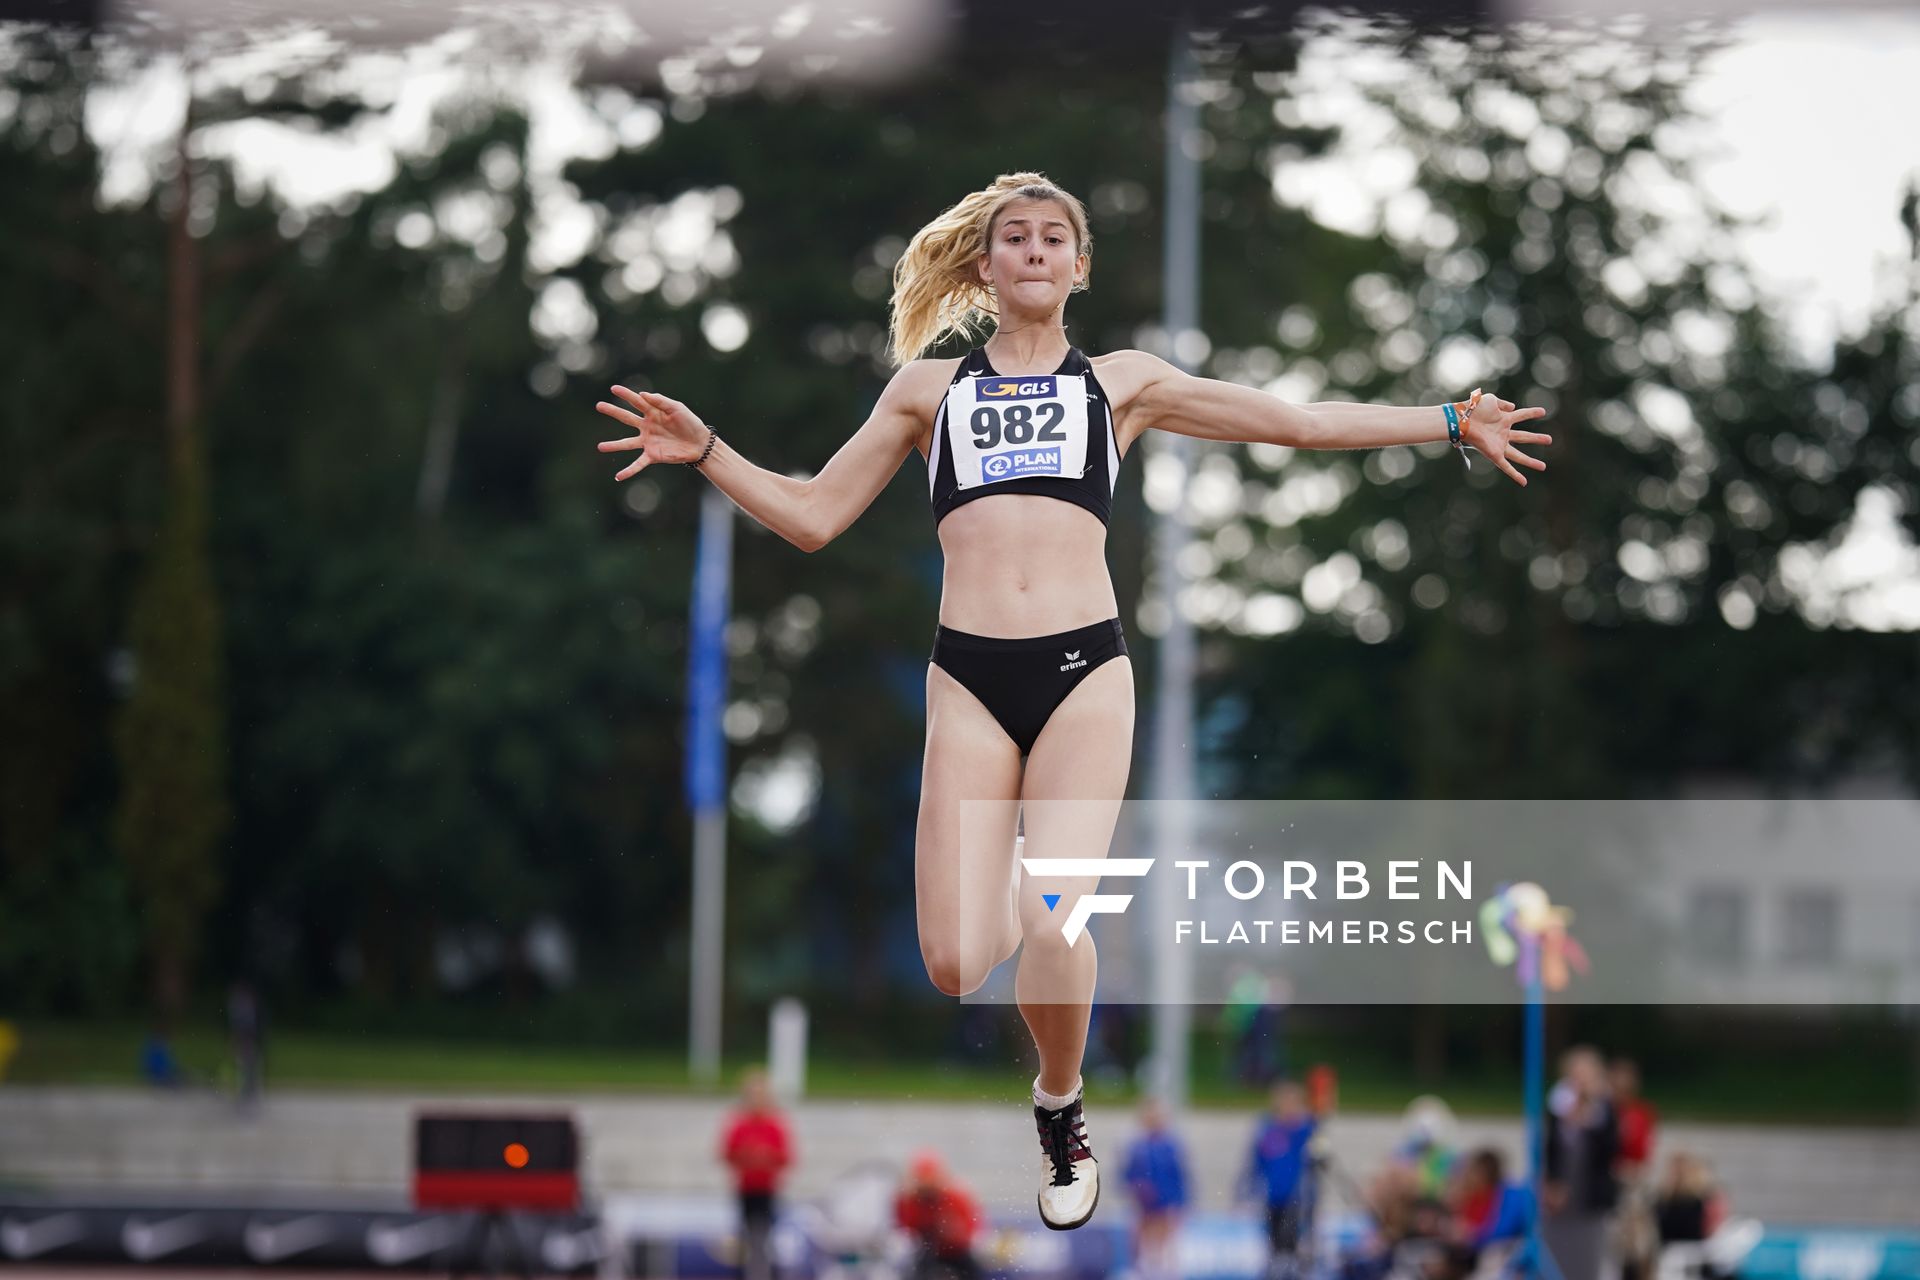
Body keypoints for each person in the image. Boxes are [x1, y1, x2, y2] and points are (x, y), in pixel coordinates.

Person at [595, 171, 1552, 1229]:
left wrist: (1451, 420)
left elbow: (1298, 421)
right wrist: (712, 452)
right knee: (957, 960)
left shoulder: (1123, 383)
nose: (1038, 249)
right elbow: (817, 515)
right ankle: (1026, 882)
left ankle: (1060, 1104)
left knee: (1055, 915)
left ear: (1078, 264)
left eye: (1057, 237)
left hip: (1083, 673)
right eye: (1017, 237)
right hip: (967, 678)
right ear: (986, 265)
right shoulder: (926, 391)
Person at [1542, 1046, 1619, 1280]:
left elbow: (1610, 1150)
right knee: (1558, 1251)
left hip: (1589, 1196)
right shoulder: (1558, 1104)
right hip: (1562, 1196)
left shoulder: (1604, 1108)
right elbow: (1550, 1148)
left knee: (1587, 1256)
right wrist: (1552, 1183)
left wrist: (1589, 1118)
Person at [720, 1067, 795, 1280]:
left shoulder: (774, 1124)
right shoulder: (739, 1123)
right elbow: (727, 1153)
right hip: (745, 1188)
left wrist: (765, 1158)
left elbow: (786, 1157)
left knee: (766, 1239)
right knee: (744, 1239)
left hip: (767, 1189)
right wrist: (748, 1157)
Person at [1241, 1081, 1319, 1278]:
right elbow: (1256, 1163)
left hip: (1298, 1199)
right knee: (1274, 1244)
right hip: (1274, 1197)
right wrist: (1247, 1190)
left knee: (1293, 1244)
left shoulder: (1304, 1130)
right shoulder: (1268, 1130)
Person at [1121, 1098, 1191, 1280]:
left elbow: (1181, 1176)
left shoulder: (1170, 1145)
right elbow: (1126, 1174)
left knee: (1164, 1242)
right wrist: (1137, 1188)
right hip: (1143, 1202)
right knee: (1140, 1240)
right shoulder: (1137, 1146)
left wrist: (1180, 1202)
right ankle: (1143, 1269)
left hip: (1166, 1201)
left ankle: (1162, 1271)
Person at [894, 1150, 985, 1280]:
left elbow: (971, 1231)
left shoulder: (956, 1198)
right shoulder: (908, 1201)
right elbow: (903, 1231)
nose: (927, 1185)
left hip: (956, 1252)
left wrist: (952, 1233)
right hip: (925, 1252)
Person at [1610, 1058, 1660, 1280]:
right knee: (1616, 1241)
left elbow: (1643, 1148)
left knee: (1640, 1243)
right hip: (1612, 1177)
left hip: (1634, 1178)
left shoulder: (1641, 1112)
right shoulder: (1605, 1112)